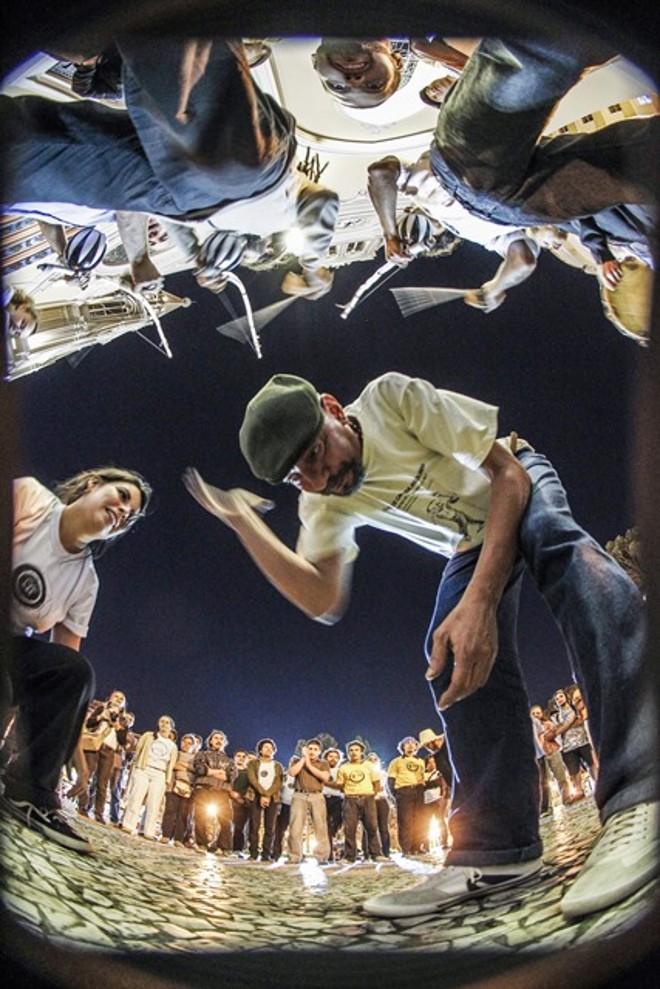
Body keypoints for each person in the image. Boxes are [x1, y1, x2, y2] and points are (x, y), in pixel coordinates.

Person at [183, 370, 656, 920]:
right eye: (299, 476)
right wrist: (244, 524)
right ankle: (497, 848)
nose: (322, 477)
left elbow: (506, 478)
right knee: (449, 657)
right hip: (468, 542)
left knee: (561, 549)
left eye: (318, 451)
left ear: (334, 409)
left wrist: (480, 602)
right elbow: (320, 597)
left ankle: (642, 788)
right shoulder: (322, 502)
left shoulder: (392, 401)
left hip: (516, 479)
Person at [4, 37, 338, 301]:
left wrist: (180, 258)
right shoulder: (285, 207)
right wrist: (312, 268)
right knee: (174, 48)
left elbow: (176, 226)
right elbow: (323, 201)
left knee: (44, 155)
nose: (251, 254)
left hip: (184, 203)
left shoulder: (226, 228)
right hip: (250, 176)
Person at [3, 466, 151, 853]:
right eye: (122, 496)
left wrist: (64, 745)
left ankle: (29, 792)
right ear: (93, 485)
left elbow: (63, 671)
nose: (123, 512)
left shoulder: (85, 583)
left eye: (130, 516)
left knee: (76, 672)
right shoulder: (31, 500)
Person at [120, 715, 178, 839]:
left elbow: (171, 764)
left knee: (154, 803)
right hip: (144, 768)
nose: (164, 724)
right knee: (136, 797)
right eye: (162, 721)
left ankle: (148, 831)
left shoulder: (173, 746)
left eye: (167, 722)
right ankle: (128, 825)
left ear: (171, 727)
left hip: (160, 773)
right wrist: (135, 767)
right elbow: (139, 749)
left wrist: (167, 780)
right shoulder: (148, 736)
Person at [336, 739, 386, 862]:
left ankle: (376, 854)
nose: (354, 753)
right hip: (350, 800)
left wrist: (370, 794)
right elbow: (340, 785)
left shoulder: (369, 766)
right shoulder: (343, 768)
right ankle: (349, 856)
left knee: (372, 827)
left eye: (356, 750)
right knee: (350, 829)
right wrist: (351, 792)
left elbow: (377, 783)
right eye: (351, 750)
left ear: (361, 752)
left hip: (368, 799)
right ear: (347, 753)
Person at [286, 739, 331, 864]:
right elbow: (292, 772)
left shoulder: (323, 763)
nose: (312, 751)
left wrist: (309, 765)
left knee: (320, 826)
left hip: (316, 796)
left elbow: (324, 777)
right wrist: (303, 759)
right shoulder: (296, 761)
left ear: (319, 752)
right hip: (299, 795)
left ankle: (322, 857)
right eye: (310, 749)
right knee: (295, 827)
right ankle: (294, 856)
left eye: (315, 749)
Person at [192, 729, 235, 853]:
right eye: (216, 738)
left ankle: (224, 846)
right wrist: (219, 772)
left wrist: (211, 771)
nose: (218, 741)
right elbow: (200, 769)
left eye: (221, 739)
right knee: (200, 816)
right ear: (210, 741)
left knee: (226, 819)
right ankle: (202, 843)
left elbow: (231, 776)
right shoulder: (202, 754)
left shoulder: (229, 760)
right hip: (204, 788)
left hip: (221, 791)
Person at [387, 736, 426, 855]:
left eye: (413, 743)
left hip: (418, 791)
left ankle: (417, 846)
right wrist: (397, 794)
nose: (410, 745)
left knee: (419, 820)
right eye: (407, 743)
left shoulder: (420, 761)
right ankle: (406, 848)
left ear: (416, 746)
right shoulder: (396, 761)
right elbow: (391, 780)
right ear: (402, 747)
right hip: (404, 791)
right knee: (405, 821)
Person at [246, 738, 283, 861]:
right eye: (266, 747)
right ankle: (253, 852)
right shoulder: (253, 764)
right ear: (260, 750)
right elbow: (253, 779)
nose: (269, 749)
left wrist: (267, 795)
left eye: (271, 748)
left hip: (273, 797)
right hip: (255, 795)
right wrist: (262, 794)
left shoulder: (277, 766)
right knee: (254, 825)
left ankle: (266, 853)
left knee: (270, 827)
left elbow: (278, 782)